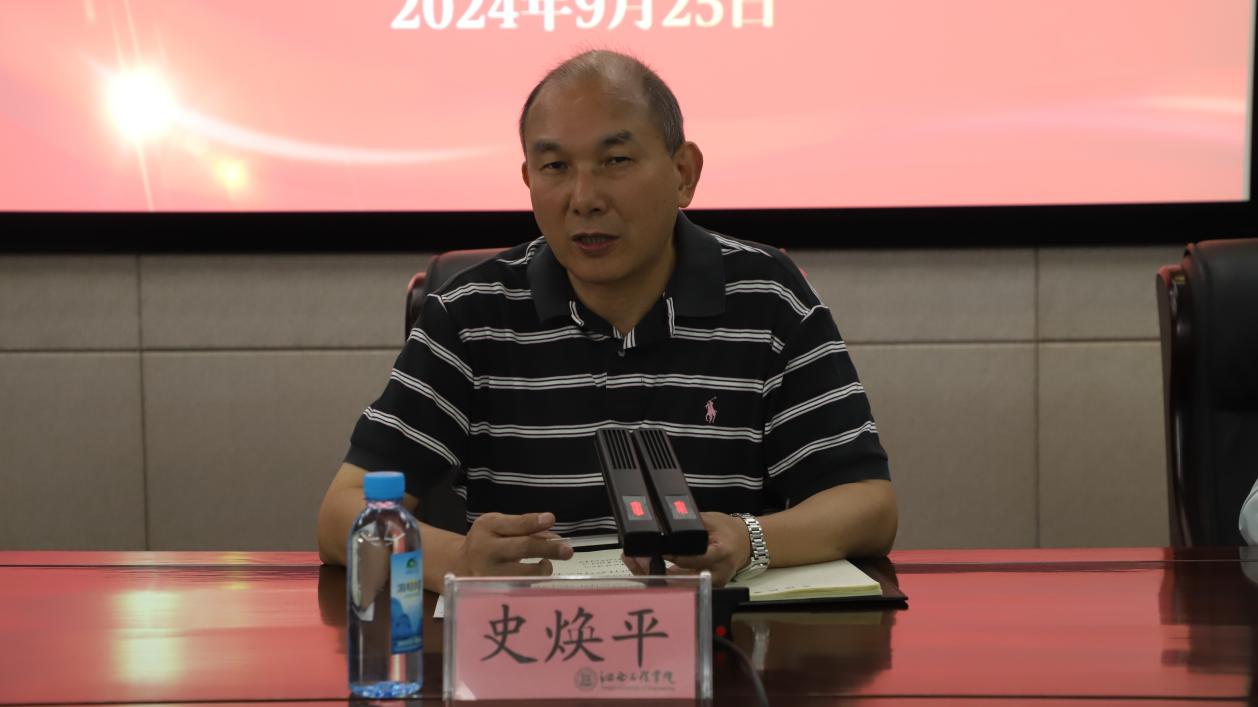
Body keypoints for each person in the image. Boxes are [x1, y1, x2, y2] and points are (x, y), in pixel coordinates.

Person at [317, 50, 897, 592]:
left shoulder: (767, 297)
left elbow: (868, 505)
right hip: (532, 643)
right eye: (555, 166)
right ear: (528, 180)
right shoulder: (471, 314)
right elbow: (343, 513)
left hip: (720, 642)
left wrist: (748, 540)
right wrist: (457, 559)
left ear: (684, 172)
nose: (584, 197)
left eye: (615, 161)